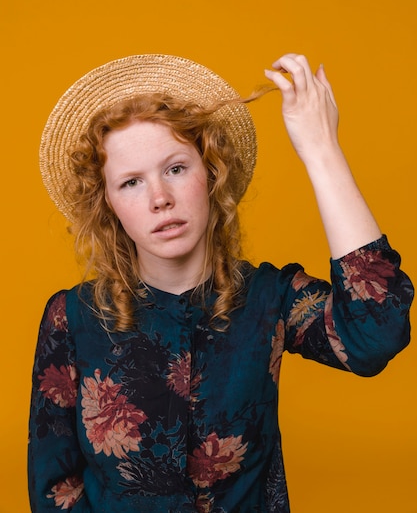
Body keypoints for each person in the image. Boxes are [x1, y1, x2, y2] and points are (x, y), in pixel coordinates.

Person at [28, 53, 413, 513]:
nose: (159, 199)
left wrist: (321, 151)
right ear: (107, 204)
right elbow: (56, 489)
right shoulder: (71, 318)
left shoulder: (272, 297)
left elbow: (375, 335)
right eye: (130, 182)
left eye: (175, 168)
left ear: (211, 173)